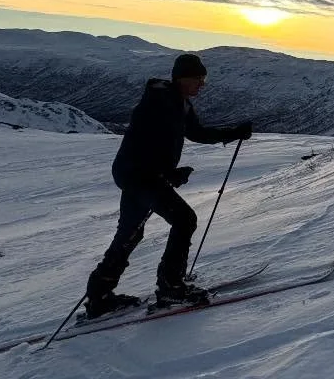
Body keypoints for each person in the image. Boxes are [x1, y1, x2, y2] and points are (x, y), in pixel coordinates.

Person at [83, 53, 253, 317]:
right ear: (182, 78)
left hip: (137, 174)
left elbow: (196, 132)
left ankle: (99, 297)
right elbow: (146, 144)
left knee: (131, 232)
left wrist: (233, 133)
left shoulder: (178, 102)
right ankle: (171, 288)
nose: (202, 84)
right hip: (139, 174)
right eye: (198, 78)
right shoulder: (160, 103)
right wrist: (168, 174)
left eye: (203, 79)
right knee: (184, 220)